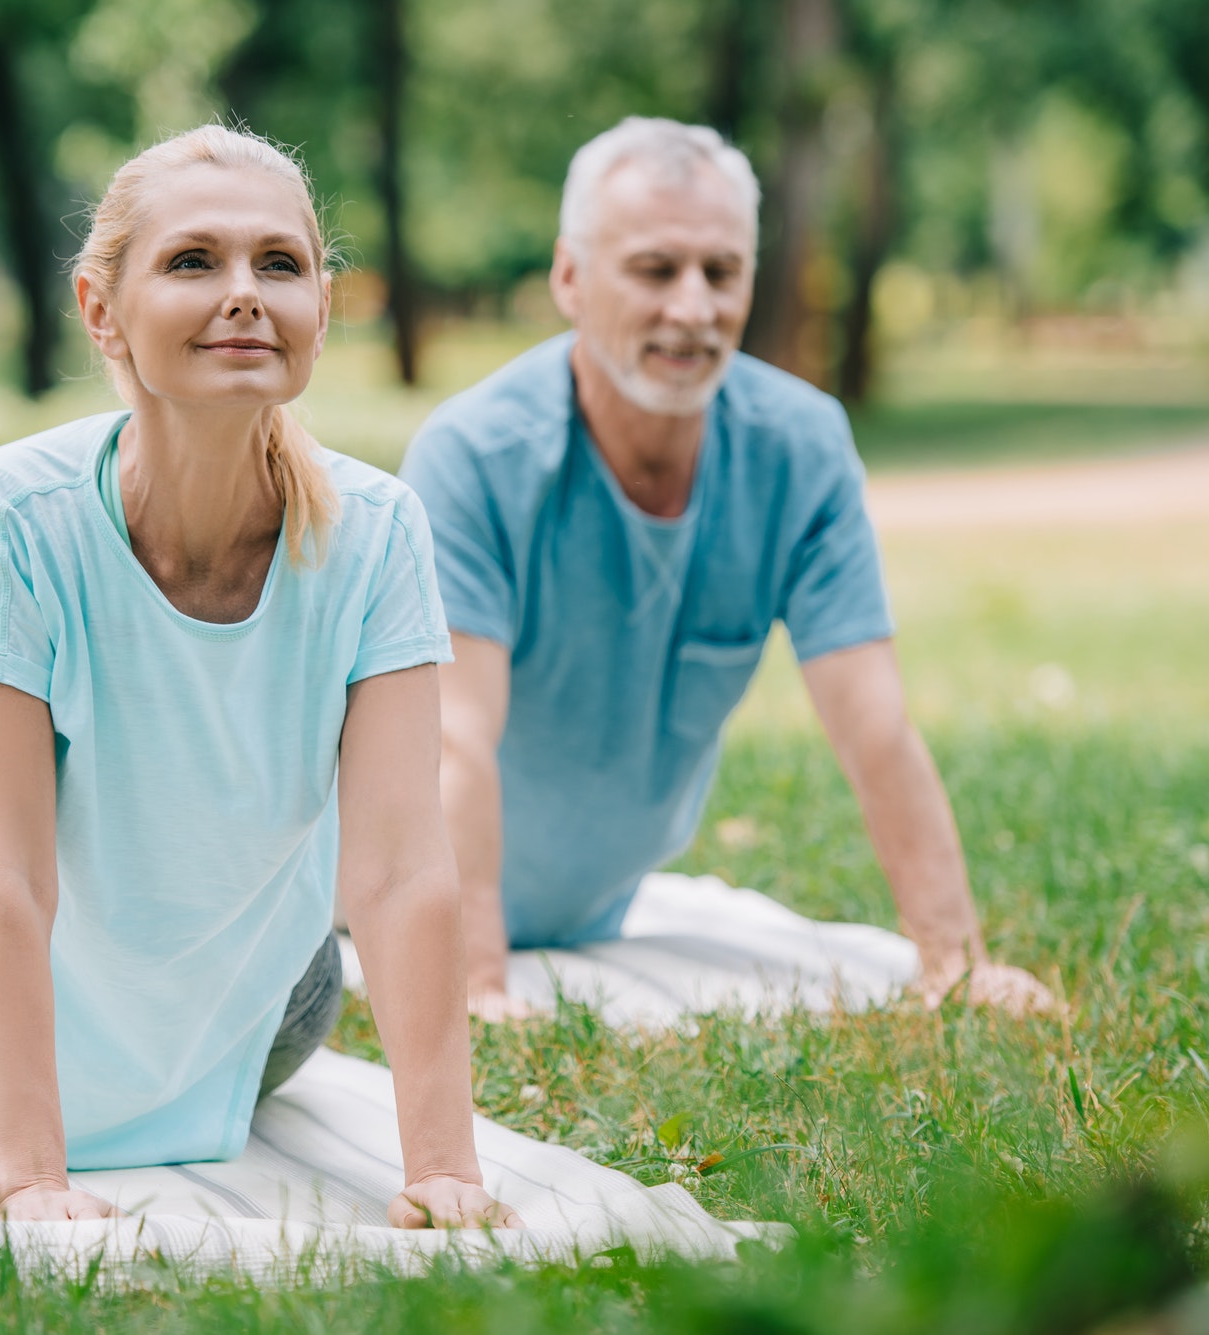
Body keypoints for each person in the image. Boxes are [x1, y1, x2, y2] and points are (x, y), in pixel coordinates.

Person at [0, 126, 519, 1230]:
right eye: (190, 262)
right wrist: (30, 1180)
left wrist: (443, 1165)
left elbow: (403, 870)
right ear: (98, 309)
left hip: (254, 1009)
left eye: (279, 264)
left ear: (324, 303)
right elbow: (4, 878)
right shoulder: (14, 510)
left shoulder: (378, 528)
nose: (243, 295)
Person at [399, 117, 1054, 1021]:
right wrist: (476, 985)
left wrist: (952, 961)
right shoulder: (473, 455)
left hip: (590, 913)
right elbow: (451, 742)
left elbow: (874, 722)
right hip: (373, 899)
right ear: (569, 278)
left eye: (723, 271)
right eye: (655, 269)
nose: (695, 308)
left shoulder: (802, 447)